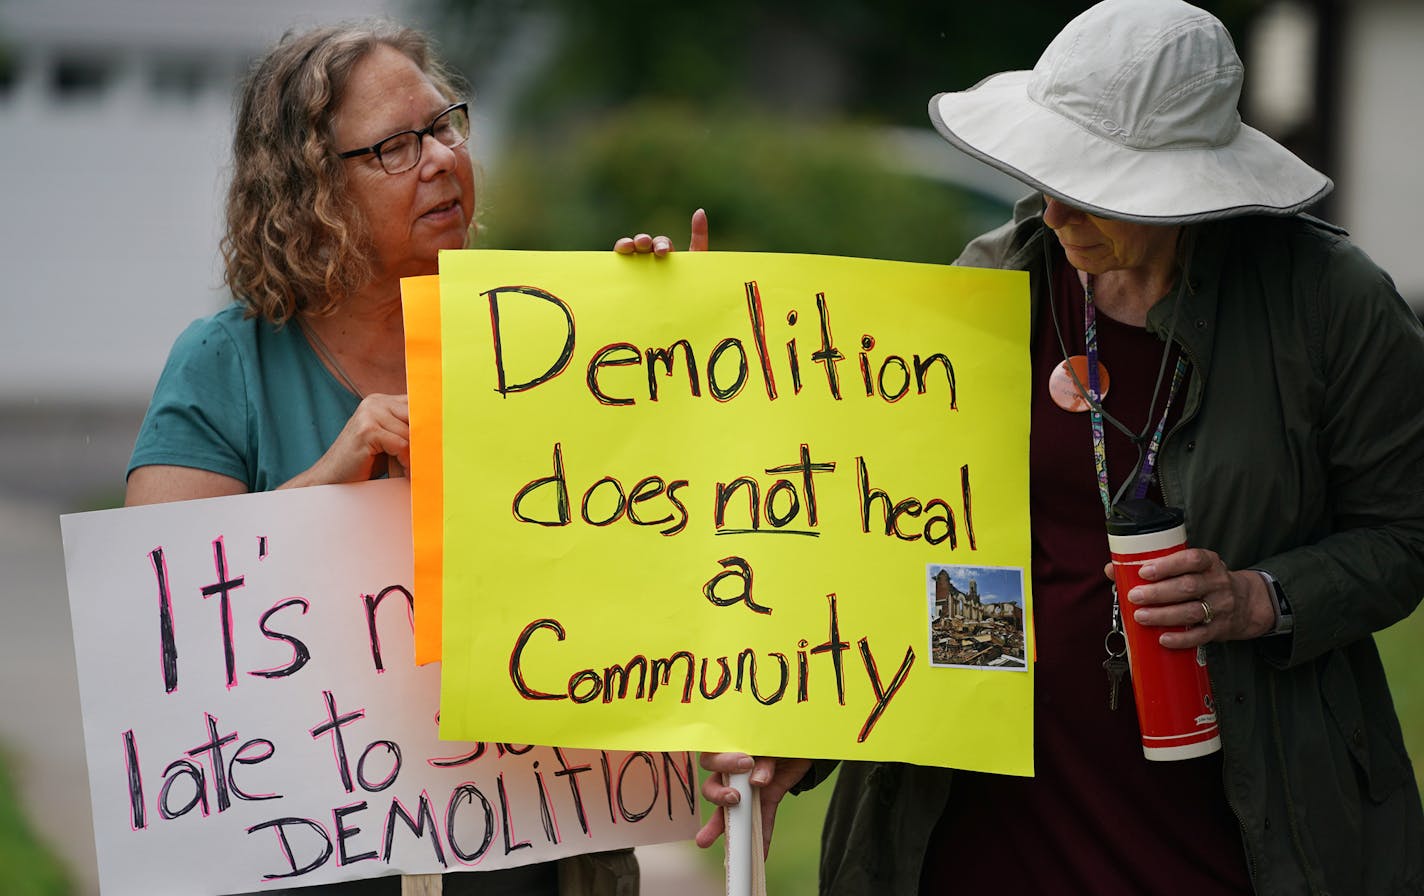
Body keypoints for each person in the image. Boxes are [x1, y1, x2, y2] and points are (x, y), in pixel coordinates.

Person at [689, 0, 1424, 893]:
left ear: (1190, 187)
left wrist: (1258, 600)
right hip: (981, 820)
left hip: (1235, 827)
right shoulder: (995, 278)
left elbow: (1405, 534)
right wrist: (811, 742)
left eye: (1097, 184)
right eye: (1048, 171)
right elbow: (896, 542)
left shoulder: (1328, 302)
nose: (1056, 207)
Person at [126, 20, 637, 896]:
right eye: (396, 147)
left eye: (444, 127)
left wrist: (667, 335)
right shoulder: (224, 365)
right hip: (296, 858)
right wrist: (339, 471)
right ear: (309, 192)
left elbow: (653, 547)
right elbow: (159, 622)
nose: (441, 159)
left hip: (539, 853)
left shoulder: (549, 333)